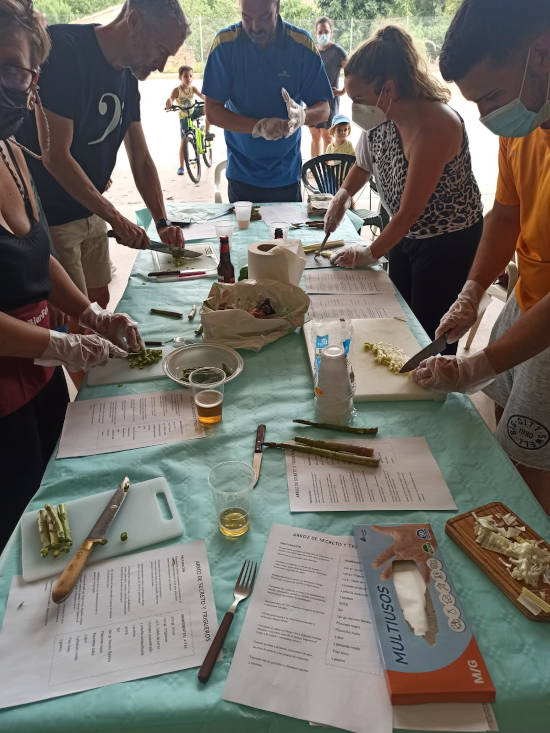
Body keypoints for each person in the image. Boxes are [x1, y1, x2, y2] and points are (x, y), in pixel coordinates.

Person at [0, 0, 145, 549]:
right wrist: (60, 344)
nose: (18, 85)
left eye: (24, 72)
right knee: (18, 542)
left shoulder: (13, 152)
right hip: (4, 405)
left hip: (39, 386)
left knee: (53, 519)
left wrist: (90, 315)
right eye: (7, 67)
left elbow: (38, 257)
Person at [411, 0, 550, 512]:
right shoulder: (530, 119)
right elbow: (507, 214)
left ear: (541, 54)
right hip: (527, 294)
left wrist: (478, 364)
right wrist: (471, 292)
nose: (488, 116)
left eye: (491, 95)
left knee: (529, 480)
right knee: (499, 422)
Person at [17, 0, 190, 309]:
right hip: (51, 215)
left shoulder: (127, 78)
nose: (162, 65)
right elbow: (55, 156)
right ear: (134, 21)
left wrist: (161, 221)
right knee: (79, 316)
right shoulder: (65, 52)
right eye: (161, 49)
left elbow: (140, 157)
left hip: (90, 207)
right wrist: (116, 218)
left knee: (100, 296)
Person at [324, 26, 483, 356]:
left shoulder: (434, 125)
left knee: (428, 339)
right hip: (404, 234)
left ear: (389, 89)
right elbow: (362, 166)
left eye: (359, 100)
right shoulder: (380, 116)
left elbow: (411, 211)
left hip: (447, 243)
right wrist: (342, 195)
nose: (355, 109)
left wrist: (369, 253)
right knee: (396, 320)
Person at [202, 0, 333, 204]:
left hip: (286, 176)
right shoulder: (225, 44)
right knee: (245, 236)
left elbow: (324, 108)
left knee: (286, 236)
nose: (255, 27)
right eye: (247, 18)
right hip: (241, 175)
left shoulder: (301, 45)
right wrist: (258, 127)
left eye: (264, 17)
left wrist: (303, 116)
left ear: (277, 6)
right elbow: (212, 111)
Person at [309, 16, 347, 158]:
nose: (323, 34)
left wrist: (343, 91)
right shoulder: (312, 49)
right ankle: (314, 168)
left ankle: (326, 169)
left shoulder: (338, 51)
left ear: (331, 32)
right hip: (312, 99)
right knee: (314, 135)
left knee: (327, 136)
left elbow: (351, 71)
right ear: (316, 33)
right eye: (320, 32)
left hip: (330, 100)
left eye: (326, 31)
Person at [165, 64, 214, 176]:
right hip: (184, 117)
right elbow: (171, 99)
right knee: (183, 141)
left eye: (191, 76)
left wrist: (210, 101)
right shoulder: (176, 90)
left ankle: (206, 132)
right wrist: (169, 103)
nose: (189, 79)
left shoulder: (193, 89)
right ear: (180, 78)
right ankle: (182, 166)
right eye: (186, 76)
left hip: (193, 111)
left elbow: (203, 97)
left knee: (208, 109)